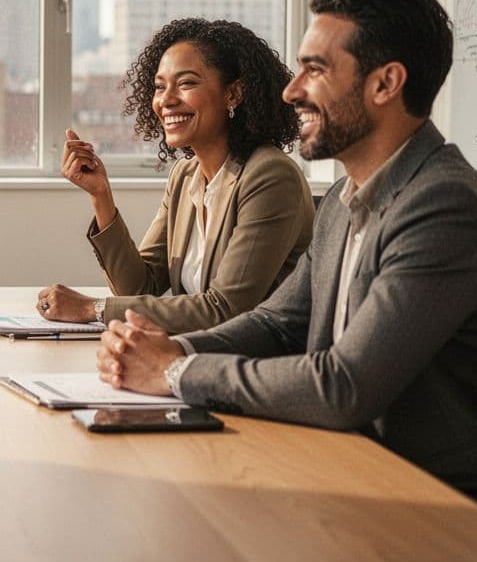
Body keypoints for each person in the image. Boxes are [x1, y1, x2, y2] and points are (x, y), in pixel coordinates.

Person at [96, 0, 477, 479]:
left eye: (315, 70)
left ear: (385, 84)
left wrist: (174, 371)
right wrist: (174, 349)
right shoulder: (346, 199)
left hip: (430, 497)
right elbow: (278, 323)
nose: (291, 90)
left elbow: (345, 385)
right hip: (340, 462)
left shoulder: (445, 205)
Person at [38, 18, 313, 334]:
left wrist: (91, 309)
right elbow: (140, 285)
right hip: (196, 355)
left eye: (186, 83)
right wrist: (101, 195)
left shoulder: (270, 175)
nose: (165, 100)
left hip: (256, 364)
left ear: (234, 94)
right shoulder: (185, 177)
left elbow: (226, 309)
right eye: (159, 86)